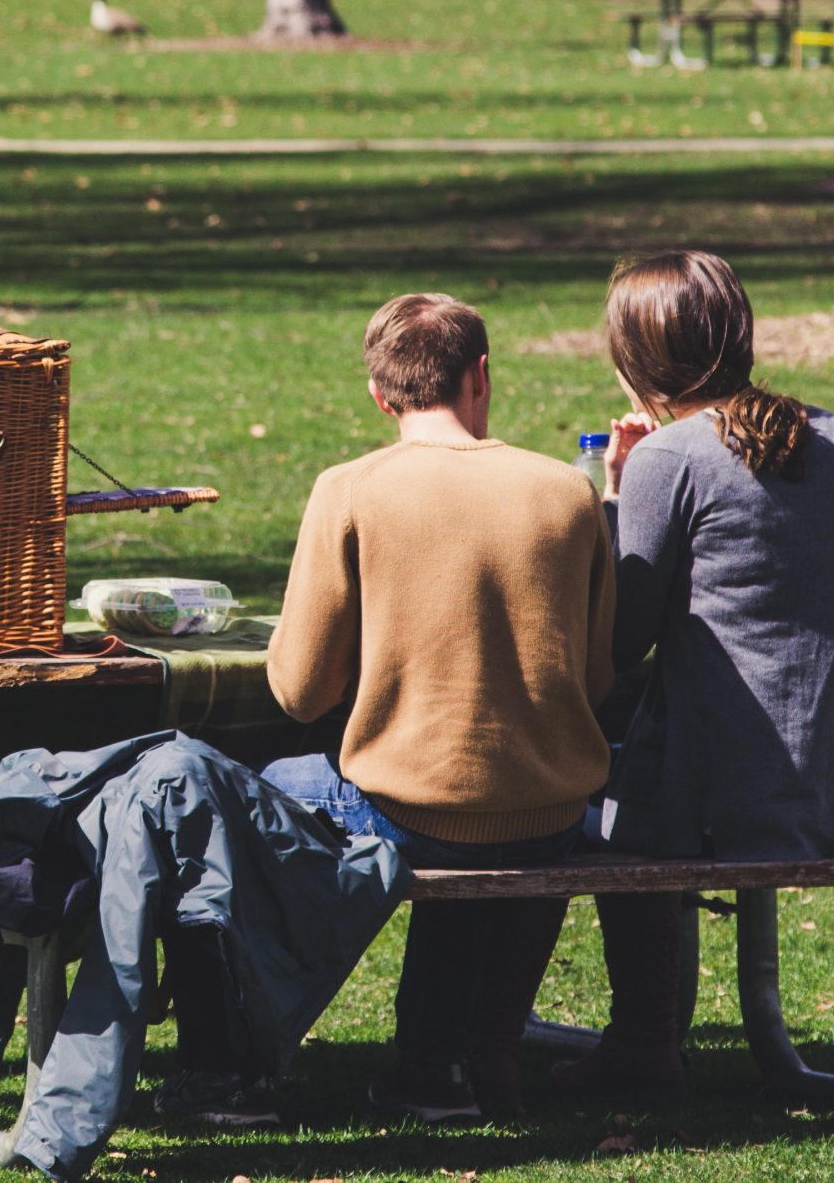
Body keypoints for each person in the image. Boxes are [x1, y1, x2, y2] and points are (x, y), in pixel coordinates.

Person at [257, 291, 616, 1123]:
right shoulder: (568, 492)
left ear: (380, 397)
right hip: (551, 809)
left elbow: (298, 689)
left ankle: (229, 1058)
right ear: (481, 375)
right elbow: (594, 679)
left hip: (409, 808)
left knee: (266, 784)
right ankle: (434, 1065)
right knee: (464, 800)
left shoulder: (349, 489)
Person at [554, 250, 834, 1095]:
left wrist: (616, 493)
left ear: (635, 359)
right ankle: (650, 1034)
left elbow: (620, 642)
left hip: (729, 799)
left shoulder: (672, 457)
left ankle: (639, 1037)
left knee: (578, 801)